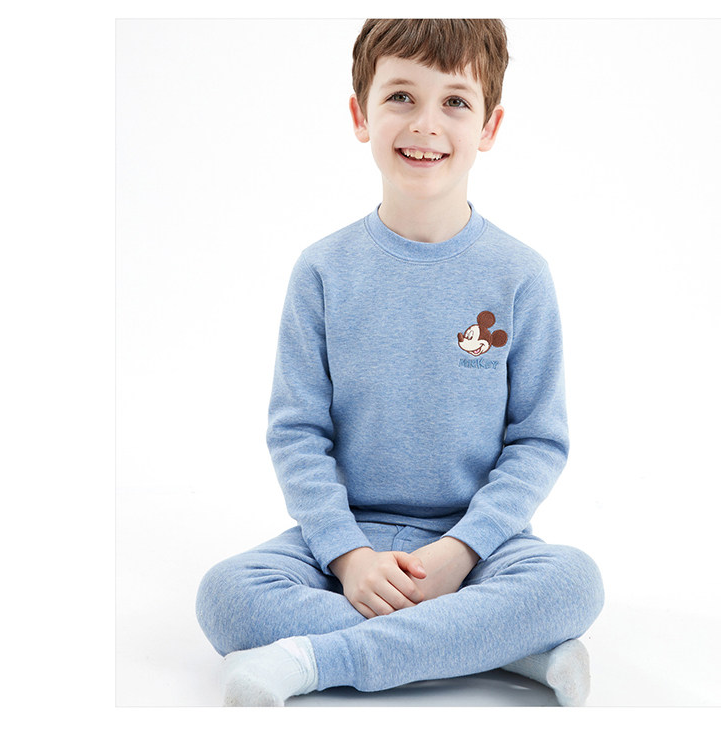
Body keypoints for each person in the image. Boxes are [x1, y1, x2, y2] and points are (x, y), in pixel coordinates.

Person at [195, 18, 604, 707]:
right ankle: (507, 647)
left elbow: (538, 440)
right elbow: (297, 432)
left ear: (490, 127)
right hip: (346, 539)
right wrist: (348, 556)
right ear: (361, 115)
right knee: (226, 597)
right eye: (401, 97)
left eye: (455, 101)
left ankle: (313, 660)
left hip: (479, 545)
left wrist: (462, 551)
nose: (426, 123)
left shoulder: (521, 274)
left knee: (573, 582)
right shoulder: (322, 270)